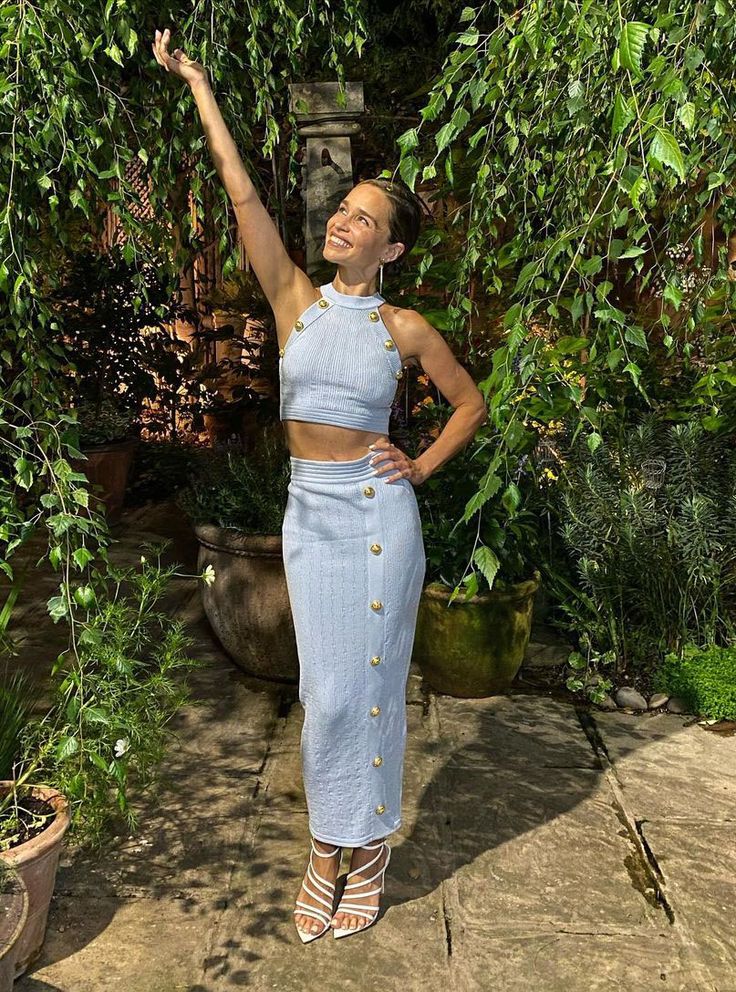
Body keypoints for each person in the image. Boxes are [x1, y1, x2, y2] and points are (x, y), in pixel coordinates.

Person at [151, 27, 487, 942]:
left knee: (374, 688)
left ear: (391, 249)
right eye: (344, 207)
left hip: (382, 520)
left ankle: (362, 852)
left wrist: (417, 464)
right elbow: (241, 189)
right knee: (326, 692)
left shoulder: (406, 328)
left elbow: (470, 405)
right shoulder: (294, 298)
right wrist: (198, 83)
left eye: (364, 218)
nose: (344, 219)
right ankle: (327, 845)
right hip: (313, 518)